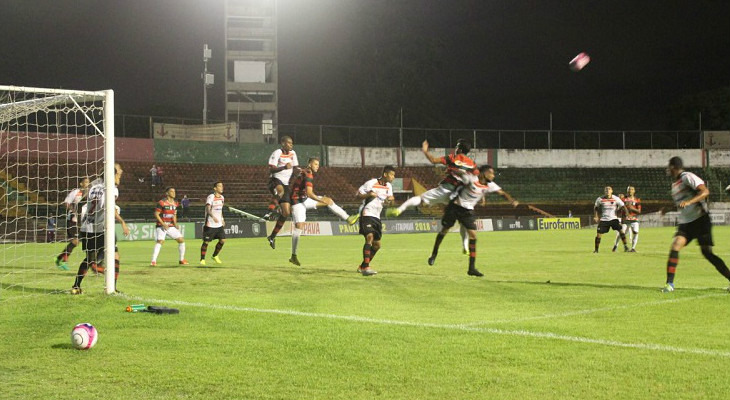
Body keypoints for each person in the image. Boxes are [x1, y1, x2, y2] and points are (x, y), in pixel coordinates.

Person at [387, 139, 477, 254]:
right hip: (460, 195)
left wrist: (425, 151)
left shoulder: (453, 157)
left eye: (456, 146)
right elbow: (475, 180)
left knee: (420, 198)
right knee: (464, 220)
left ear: (459, 149)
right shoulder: (472, 164)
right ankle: (465, 246)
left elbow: (433, 160)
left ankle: (400, 209)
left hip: (446, 189)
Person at [427, 165, 519, 277]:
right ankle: (434, 254)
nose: (493, 176)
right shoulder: (472, 179)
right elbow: (461, 173)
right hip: (455, 207)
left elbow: (502, 193)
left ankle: (471, 268)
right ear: (485, 174)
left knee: (473, 236)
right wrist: (451, 169)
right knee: (444, 231)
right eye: (492, 173)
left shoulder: (490, 185)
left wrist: (511, 200)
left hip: (467, 212)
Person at [663, 156, 730, 292]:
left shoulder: (687, 177)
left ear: (673, 167)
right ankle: (669, 284)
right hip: (686, 223)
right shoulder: (674, 186)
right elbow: (680, 203)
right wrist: (668, 208)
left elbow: (705, 191)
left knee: (707, 254)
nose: (667, 170)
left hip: (700, 220)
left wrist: (690, 202)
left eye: (669, 167)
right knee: (675, 246)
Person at [71, 163, 130, 294]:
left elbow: (82, 203)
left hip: (87, 226)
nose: (119, 176)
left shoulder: (93, 185)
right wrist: (118, 220)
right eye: (118, 174)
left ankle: (76, 286)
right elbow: (107, 207)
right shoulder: (112, 189)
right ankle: (111, 288)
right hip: (101, 227)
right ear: (112, 175)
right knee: (115, 255)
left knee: (89, 258)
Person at [288, 157, 353, 266]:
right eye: (315, 164)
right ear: (309, 164)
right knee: (299, 226)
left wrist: (322, 200)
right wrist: (319, 200)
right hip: (297, 202)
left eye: (318, 164)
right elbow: (309, 193)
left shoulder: (305, 172)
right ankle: (293, 256)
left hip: (304, 199)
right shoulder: (308, 174)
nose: (317, 166)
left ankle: (348, 218)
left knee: (329, 200)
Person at [354, 165, 396, 276]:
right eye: (391, 175)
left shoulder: (389, 187)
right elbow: (357, 195)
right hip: (367, 213)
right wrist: (369, 194)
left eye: (394, 175)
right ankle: (366, 268)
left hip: (377, 217)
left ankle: (363, 265)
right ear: (385, 174)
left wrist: (391, 200)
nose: (393, 177)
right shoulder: (371, 183)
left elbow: (391, 201)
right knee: (369, 237)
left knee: (377, 245)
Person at [266, 135, 299, 249]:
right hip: (275, 180)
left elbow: (295, 168)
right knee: (279, 192)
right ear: (283, 143)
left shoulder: (293, 154)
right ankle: (269, 212)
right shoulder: (277, 153)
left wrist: (300, 172)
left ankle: (272, 236)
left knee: (286, 212)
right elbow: (271, 169)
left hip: (286, 183)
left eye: (292, 143)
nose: (291, 145)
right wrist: (284, 167)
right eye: (289, 143)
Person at [55, 177, 90, 270]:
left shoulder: (89, 193)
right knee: (76, 240)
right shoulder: (76, 192)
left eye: (88, 182)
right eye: (85, 182)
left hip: (82, 221)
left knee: (77, 241)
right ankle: (62, 261)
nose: (87, 184)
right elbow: (66, 202)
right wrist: (73, 210)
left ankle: (59, 259)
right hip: (73, 219)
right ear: (81, 183)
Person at [150, 187, 188, 266]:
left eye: (174, 191)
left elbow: (174, 214)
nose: (174, 193)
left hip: (170, 226)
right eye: (171, 191)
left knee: (181, 240)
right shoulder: (161, 202)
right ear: (167, 193)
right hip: (161, 226)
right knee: (160, 241)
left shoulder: (176, 203)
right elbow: (156, 214)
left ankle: (181, 260)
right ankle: (153, 261)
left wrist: (175, 224)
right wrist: (163, 224)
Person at [593, 186, 630, 253]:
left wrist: (627, 214)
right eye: (606, 189)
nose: (607, 190)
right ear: (604, 191)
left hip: (613, 219)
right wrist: (596, 216)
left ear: (612, 191)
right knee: (599, 234)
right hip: (604, 219)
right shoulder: (600, 199)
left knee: (621, 231)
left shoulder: (616, 198)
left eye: (609, 189)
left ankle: (626, 247)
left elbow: (623, 206)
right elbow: (596, 207)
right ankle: (596, 250)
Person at [200, 182, 225, 266]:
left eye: (222, 186)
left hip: (219, 224)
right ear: (215, 188)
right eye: (219, 186)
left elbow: (220, 210)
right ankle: (202, 259)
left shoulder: (222, 198)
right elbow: (208, 209)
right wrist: (212, 216)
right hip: (210, 224)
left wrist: (222, 219)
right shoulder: (211, 197)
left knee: (222, 240)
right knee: (206, 241)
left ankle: (215, 256)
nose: (222, 187)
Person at [613, 186, 641, 252]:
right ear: (627, 191)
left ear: (634, 191)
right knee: (621, 233)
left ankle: (633, 248)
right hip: (625, 219)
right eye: (629, 189)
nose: (630, 191)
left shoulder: (637, 200)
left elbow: (639, 211)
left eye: (632, 189)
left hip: (634, 218)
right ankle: (615, 246)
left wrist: (632, 208)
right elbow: (618, 209)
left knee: (635, 232)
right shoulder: (623, 199)